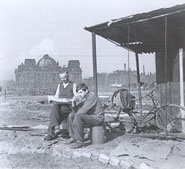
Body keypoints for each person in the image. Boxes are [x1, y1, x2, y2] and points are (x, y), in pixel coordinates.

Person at [65, 83, 104, 149]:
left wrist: (75, 121)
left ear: (86, 91)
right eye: (78, 93)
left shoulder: (91, 97)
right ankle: (73, 137)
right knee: (71, 115)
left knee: (78, 116)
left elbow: (83, 111)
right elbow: (75, 111)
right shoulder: (85, 97)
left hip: (97, 118)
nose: (79, 94)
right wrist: (73, 102)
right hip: (90, 116)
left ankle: (80, 141)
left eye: (81, 92)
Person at [44, 71, 76, 141]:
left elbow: (76, 96)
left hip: (68, 106)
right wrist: (52, 100)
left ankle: (51, 133)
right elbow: (56, 96)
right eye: (61, 78)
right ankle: (55, 127)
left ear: (68, 76)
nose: (63, 79)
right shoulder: (59, 85)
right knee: (54, 107)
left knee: (56, 112)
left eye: (64, 77)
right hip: (59, 105)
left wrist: (71, 99)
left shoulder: (73, 84)